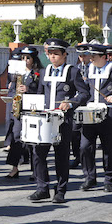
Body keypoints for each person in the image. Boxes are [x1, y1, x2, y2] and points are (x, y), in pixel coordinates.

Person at [28, 39, 88, 203]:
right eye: (50, 53)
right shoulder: (44, 71)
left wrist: (70, 103)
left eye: (56, 54)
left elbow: (84, 94)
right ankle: (42, 188)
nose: (52, 57)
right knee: (38, 153)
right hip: (45, 120)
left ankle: (60, 190)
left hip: (63, 120)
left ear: (64, 55)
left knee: (61, 156)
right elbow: (40, 94)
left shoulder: (72, 71)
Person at [79, 43, 112, 192]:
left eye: (94, 57)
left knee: (108, 148)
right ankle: (89, 177)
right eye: (90, 57)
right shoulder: (86, 70)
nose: (91, 59)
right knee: (85, 147)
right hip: (89, 115)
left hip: (109, 115)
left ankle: (109, 179)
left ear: (103, 57)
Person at [5, 46, 44, 180]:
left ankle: (35, 170)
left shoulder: (40, 73)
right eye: (23, 58)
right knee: (16, 137)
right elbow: (11, 90)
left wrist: (28, 89)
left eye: (28, 58)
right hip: (18, 110)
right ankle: (14, 168)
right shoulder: (17, 73)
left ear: (34, 59)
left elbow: (42, 92)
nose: (25, 60)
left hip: (32, 110)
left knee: (33, 142)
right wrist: (12, 97)